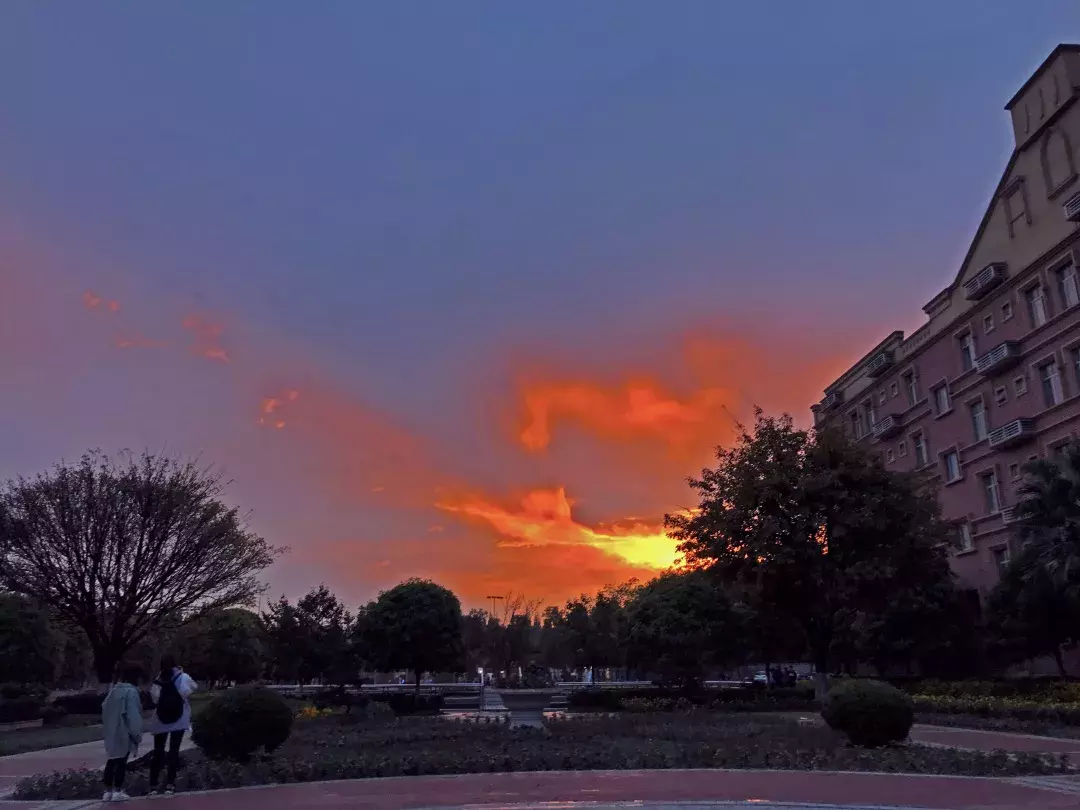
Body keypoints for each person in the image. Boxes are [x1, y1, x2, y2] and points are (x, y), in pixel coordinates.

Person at [148, 654, 197, 795]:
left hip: (160, 720)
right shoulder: (183, 677)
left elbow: (154, 700)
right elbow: (192, 688)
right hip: (179, 719)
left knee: (158, 752)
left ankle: (153, 785)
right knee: (174, 751)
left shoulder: (158, 680)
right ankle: (170, 784)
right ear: (176, 664)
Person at [101, 663, 144, 803]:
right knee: (121, 762)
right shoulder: (131, 692)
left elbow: (104, 706)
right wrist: (137, 733)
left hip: (111, 730)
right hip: (124, 731)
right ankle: (117, 791)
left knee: (112, 760)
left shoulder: (115, 690)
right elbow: (133, 715)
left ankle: (107, 791)